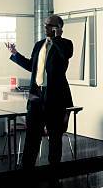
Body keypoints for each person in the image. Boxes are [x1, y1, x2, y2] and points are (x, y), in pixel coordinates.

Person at [5, 15, 73, 168]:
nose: (45, 28)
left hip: (55, 97)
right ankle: (27, 171)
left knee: (55, 138)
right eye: (45, 25)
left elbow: (65, 55)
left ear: (58, 28)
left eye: (49, 25)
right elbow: (32, 66)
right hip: (35, 95)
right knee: (31, 137)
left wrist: (56, 38)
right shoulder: (39, 45)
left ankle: (53, 173)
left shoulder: (65, 44)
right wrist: (15, 54)